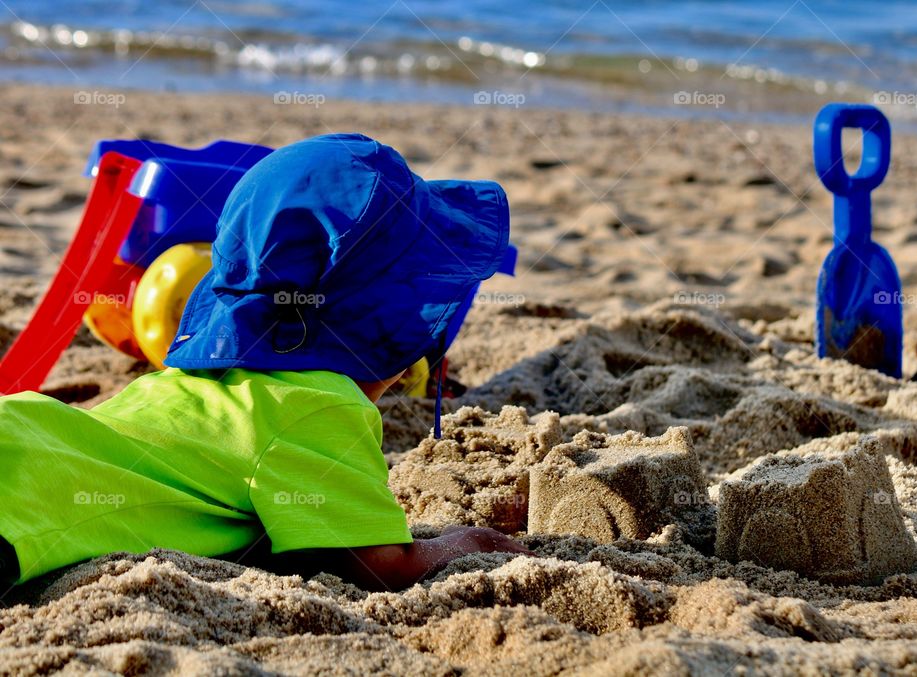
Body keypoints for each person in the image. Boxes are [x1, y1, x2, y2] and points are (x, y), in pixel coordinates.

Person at [0, 133, 530, 591]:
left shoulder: (190, 380)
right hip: (25, 506)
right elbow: (380, 567)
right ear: (389, 330)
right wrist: (461, 544)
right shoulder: (317, 408)